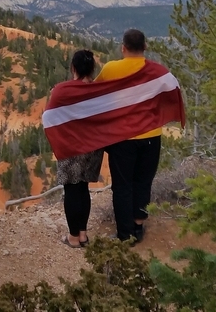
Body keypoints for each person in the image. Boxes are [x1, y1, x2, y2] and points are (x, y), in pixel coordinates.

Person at [96, 29, 162, 243]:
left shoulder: (110, 68)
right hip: (151, 135)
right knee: (143, 181)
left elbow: (95, 94)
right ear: (145, 47)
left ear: (122, 48)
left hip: (122, 137)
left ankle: (125, 235)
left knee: (122, 186)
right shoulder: (158, 71)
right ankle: (138, 227)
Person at [52, 49, 103, 248]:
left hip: (71, 147)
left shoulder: (62, 90)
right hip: (93, 147)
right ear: (92, 69)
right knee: (83, 187)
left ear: (73, 68)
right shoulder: (99, 90)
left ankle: (73, 237)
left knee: (71, 189)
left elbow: (51, 115)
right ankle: (83, 234)